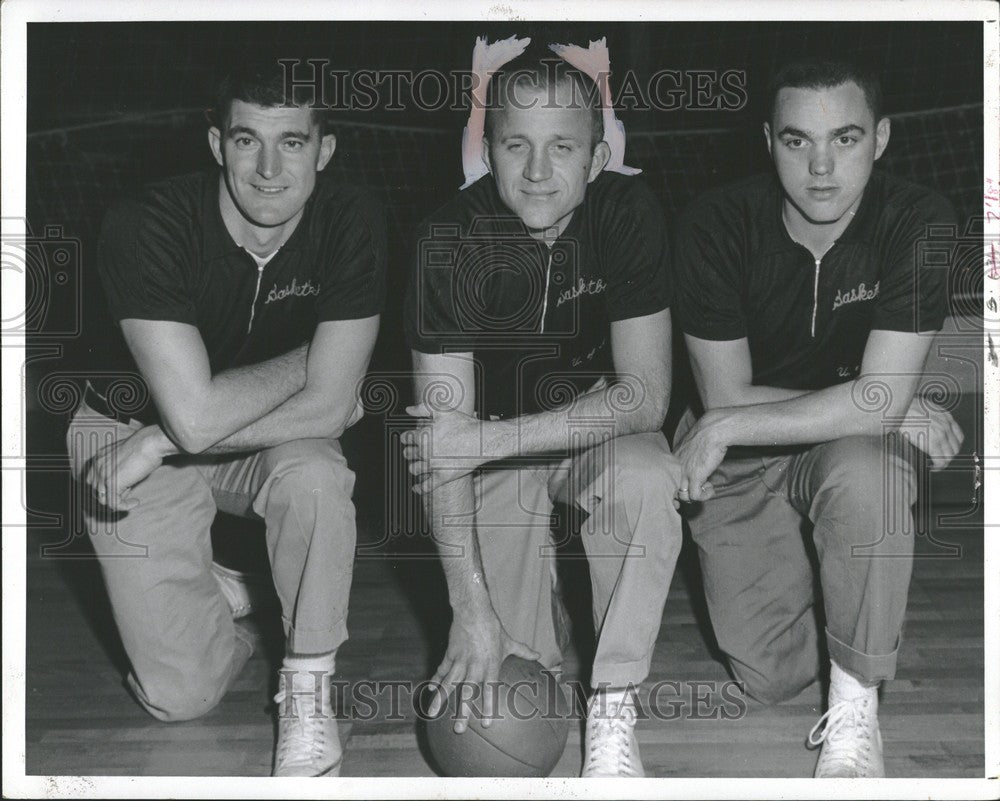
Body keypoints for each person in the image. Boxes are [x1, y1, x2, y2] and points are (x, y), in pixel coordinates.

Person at [65, 62, 385, 777]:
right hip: (122, 431)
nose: (269, 169)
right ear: (216, 144)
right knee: (180, 696)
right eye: (247, 141)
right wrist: (317, 355)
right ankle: (219, 596)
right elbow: (197, 413)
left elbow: (332, 409)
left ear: (323, 151)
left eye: (293, 143)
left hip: (190, 437)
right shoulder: (148, 223)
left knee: (314, 473)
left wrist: (163, 438)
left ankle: (306, 690)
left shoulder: (351, 218)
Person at [672, 58, 965, 778]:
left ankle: (857, 704)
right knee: (769, 678)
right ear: (768, 141)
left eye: (847, 138)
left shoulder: (921, 221)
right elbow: (726, 402)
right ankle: (827, 581)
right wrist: (882, 402)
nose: (823, 167)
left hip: (834, 448)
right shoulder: (715, 224)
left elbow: (861, 404)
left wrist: (881, 405)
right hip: (739, 454)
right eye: (798, 141)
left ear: (883, 138)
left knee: (869, 472)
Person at [401, 51, 683, 778]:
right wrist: (469, 609)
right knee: (509, 679)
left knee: (648, 476)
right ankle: (550, 615)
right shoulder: (446, 243)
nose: (536, 170)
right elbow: (441, 449)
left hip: (592, 437)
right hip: (492, 463)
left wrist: (487, 437)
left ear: (597, 157)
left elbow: (643, 395)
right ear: (486, 148)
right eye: (515, 144)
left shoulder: (629, 213)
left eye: (562, 146)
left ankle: (614, 704)